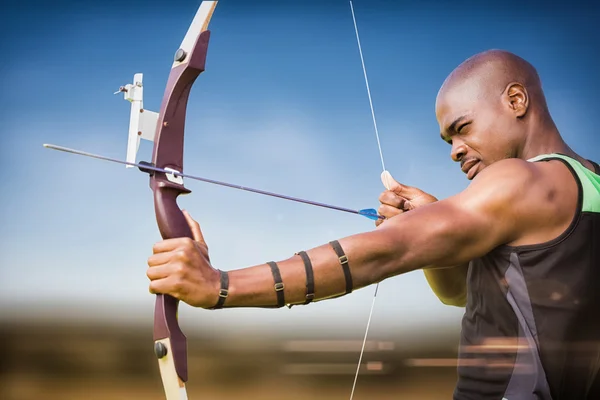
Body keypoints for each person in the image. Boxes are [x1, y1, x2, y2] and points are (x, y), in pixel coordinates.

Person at [146, 49, 600, 399]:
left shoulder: (522, 179)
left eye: (462, 128)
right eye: (448, 139)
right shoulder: (589, 179)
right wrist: (433, 229)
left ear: (516, 100)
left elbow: (385, 251)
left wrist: (219, 285)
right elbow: (462, 294)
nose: (455, 150)